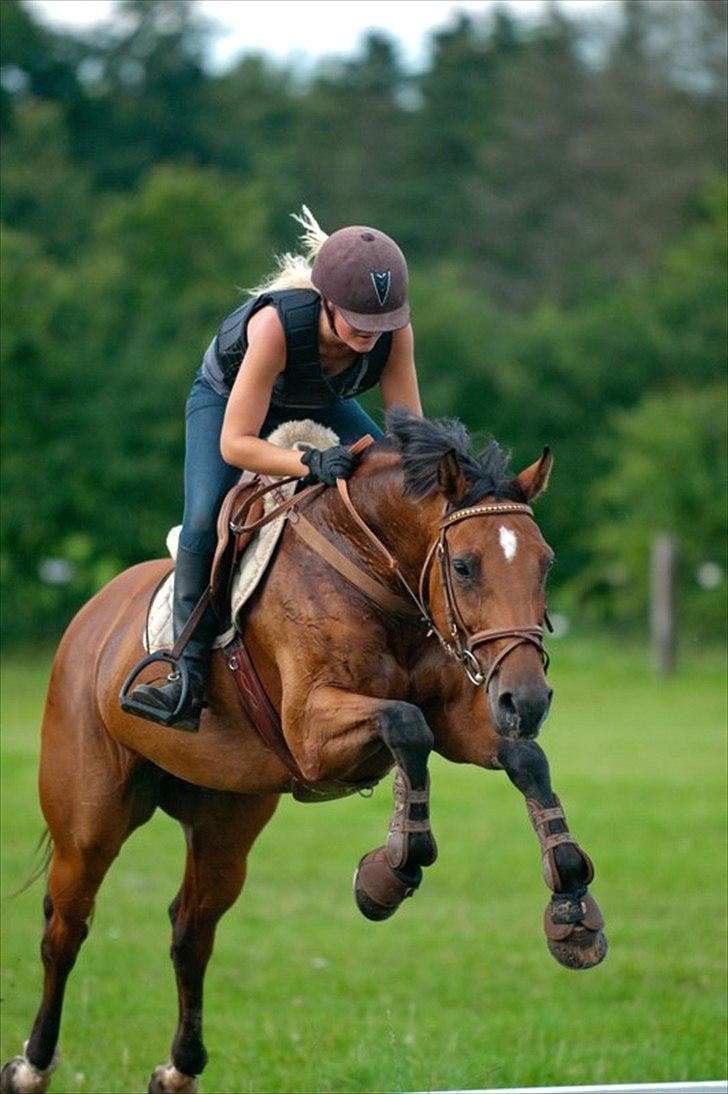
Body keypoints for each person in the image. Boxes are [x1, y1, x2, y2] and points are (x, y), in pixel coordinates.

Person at [128, 208, 423, 731]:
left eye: (383, 324)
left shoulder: (393, 334)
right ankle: (185, 673)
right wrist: (308, 462)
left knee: (391, 481)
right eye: (360, 321)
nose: (372, 336)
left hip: (319, 394)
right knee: (202, 519)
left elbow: (406, 438)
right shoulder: (274, 328)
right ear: (327, 301)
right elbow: (237, 443)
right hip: (227, 404)